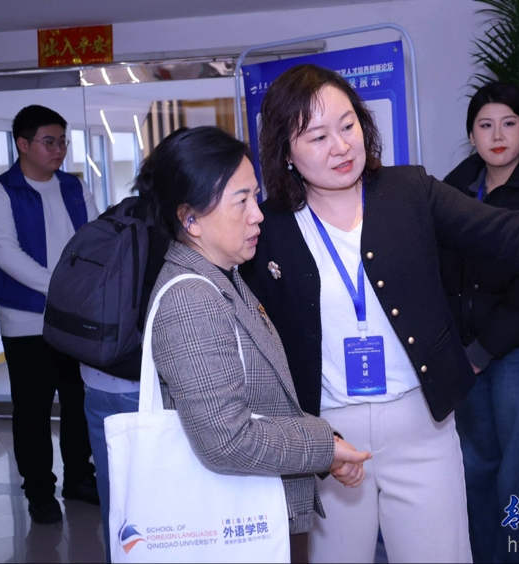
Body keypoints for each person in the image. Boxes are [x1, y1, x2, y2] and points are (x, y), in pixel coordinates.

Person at [241, 64, 519, 563]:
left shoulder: (407, 192)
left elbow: (510, 234)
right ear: (285, 151)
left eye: (348, 126)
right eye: (318, 137)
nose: (341, 146)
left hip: (421, 424)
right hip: (328, 436)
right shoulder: (268, 228)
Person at [141, 126, 373, 564]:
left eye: (256, 196)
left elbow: (267, 404)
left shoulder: (224, 278)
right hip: (236, 527)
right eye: (241, 201)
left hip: (261, 515)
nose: (258, 215)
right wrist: (323, 446)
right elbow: (227, 439)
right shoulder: (192, 299)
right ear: (190, 219)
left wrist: (326, 447)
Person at [440, 81, 519, 563]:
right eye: (486, 125)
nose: (498, 135)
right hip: (466, 353)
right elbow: (440, 272)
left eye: (509, 123)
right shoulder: (452, 190)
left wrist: (483, 350)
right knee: (475, 468)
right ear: (472, 136)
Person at [0, 105, 99, 524]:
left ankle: (79, 478)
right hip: (26, 320)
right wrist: (63, 286)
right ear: (23, 144)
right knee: (32, 408)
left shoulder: (75, 187)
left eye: (62, 141)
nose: (59, 150)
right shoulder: (1, 192)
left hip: (75, 316)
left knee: (78, 400)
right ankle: (39, 490)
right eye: (49, 142)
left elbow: (94, 240)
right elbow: (7, 255)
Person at [80, 193, 168, 562]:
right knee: (161, 508)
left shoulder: (114, 216)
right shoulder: (173, 228)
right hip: (147, 386)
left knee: (115, 499)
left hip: (97, 379)